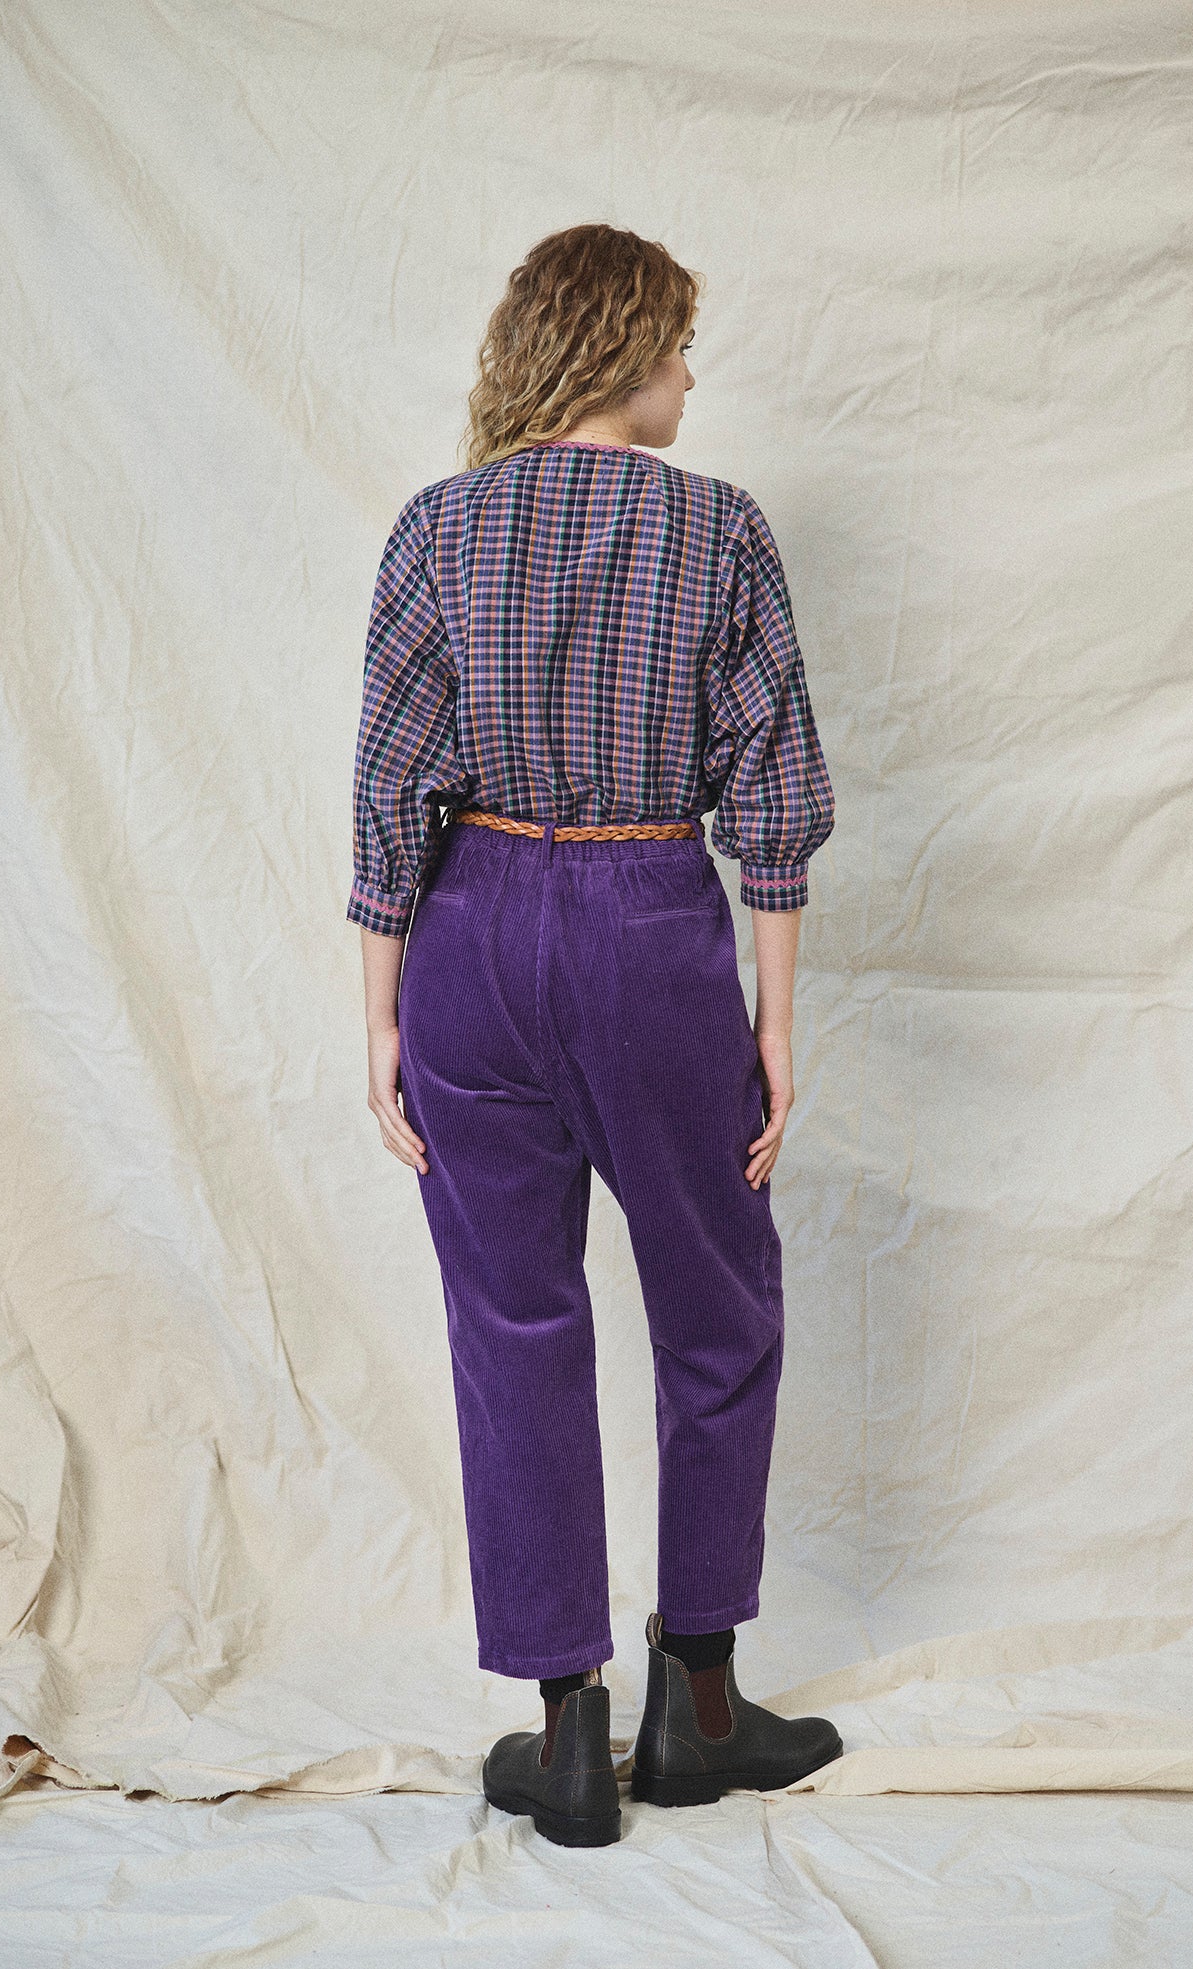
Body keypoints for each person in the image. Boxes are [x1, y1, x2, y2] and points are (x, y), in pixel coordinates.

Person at [347, 222, 842, 1847]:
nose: (693, 374)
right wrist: (777, 1022)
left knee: (514, 1319)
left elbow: (388, 792)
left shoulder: (439, 527)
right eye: (682, 343)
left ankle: (567, 1736)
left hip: (472, 934)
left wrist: (382, 1021)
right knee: (719, 1302)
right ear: (622, 347)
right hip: (646, 926)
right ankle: (693, 1702)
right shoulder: (719, 533)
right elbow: (770, 795)